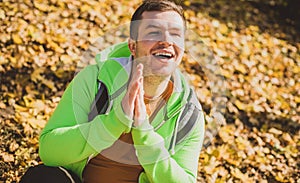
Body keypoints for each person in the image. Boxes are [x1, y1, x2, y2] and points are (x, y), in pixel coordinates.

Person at [21, 0, 205, 182]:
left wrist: (144, 133)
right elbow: (49, 151)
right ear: (133, 46)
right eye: (154, 32)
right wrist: (114, 122)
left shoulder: (188, 114)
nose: (166, 41)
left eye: (175, 34)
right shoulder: (95, 80)